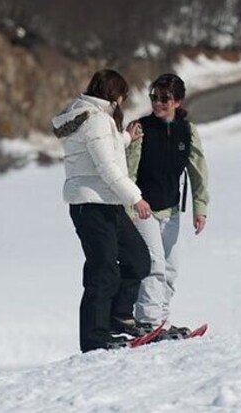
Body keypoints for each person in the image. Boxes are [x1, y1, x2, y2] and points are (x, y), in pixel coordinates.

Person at [51, 69, 154, 352]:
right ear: (115, 95)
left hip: (106, 202)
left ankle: (119, 318)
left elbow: (103, 149)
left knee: (138, 259)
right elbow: (107, 167)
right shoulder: (95, 120)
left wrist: (125, 138)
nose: (122, 102)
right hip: (91, 205)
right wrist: (136, 198)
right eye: (122, 97)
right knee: (103, 271)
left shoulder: (94, 118)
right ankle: (94, 339)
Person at [125, 73, 209, 338]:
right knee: (154, 264)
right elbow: (128, 171)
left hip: (171, 209)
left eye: (165, 99)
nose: (158, 103)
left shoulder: (188, 131)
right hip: (144, 209)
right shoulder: (141, 128)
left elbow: (198, 171)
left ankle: (161, 320)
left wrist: (200, 208)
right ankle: (148, 323)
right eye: (154, 97)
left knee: (170, 269)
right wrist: (130, 206)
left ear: (178, 102)